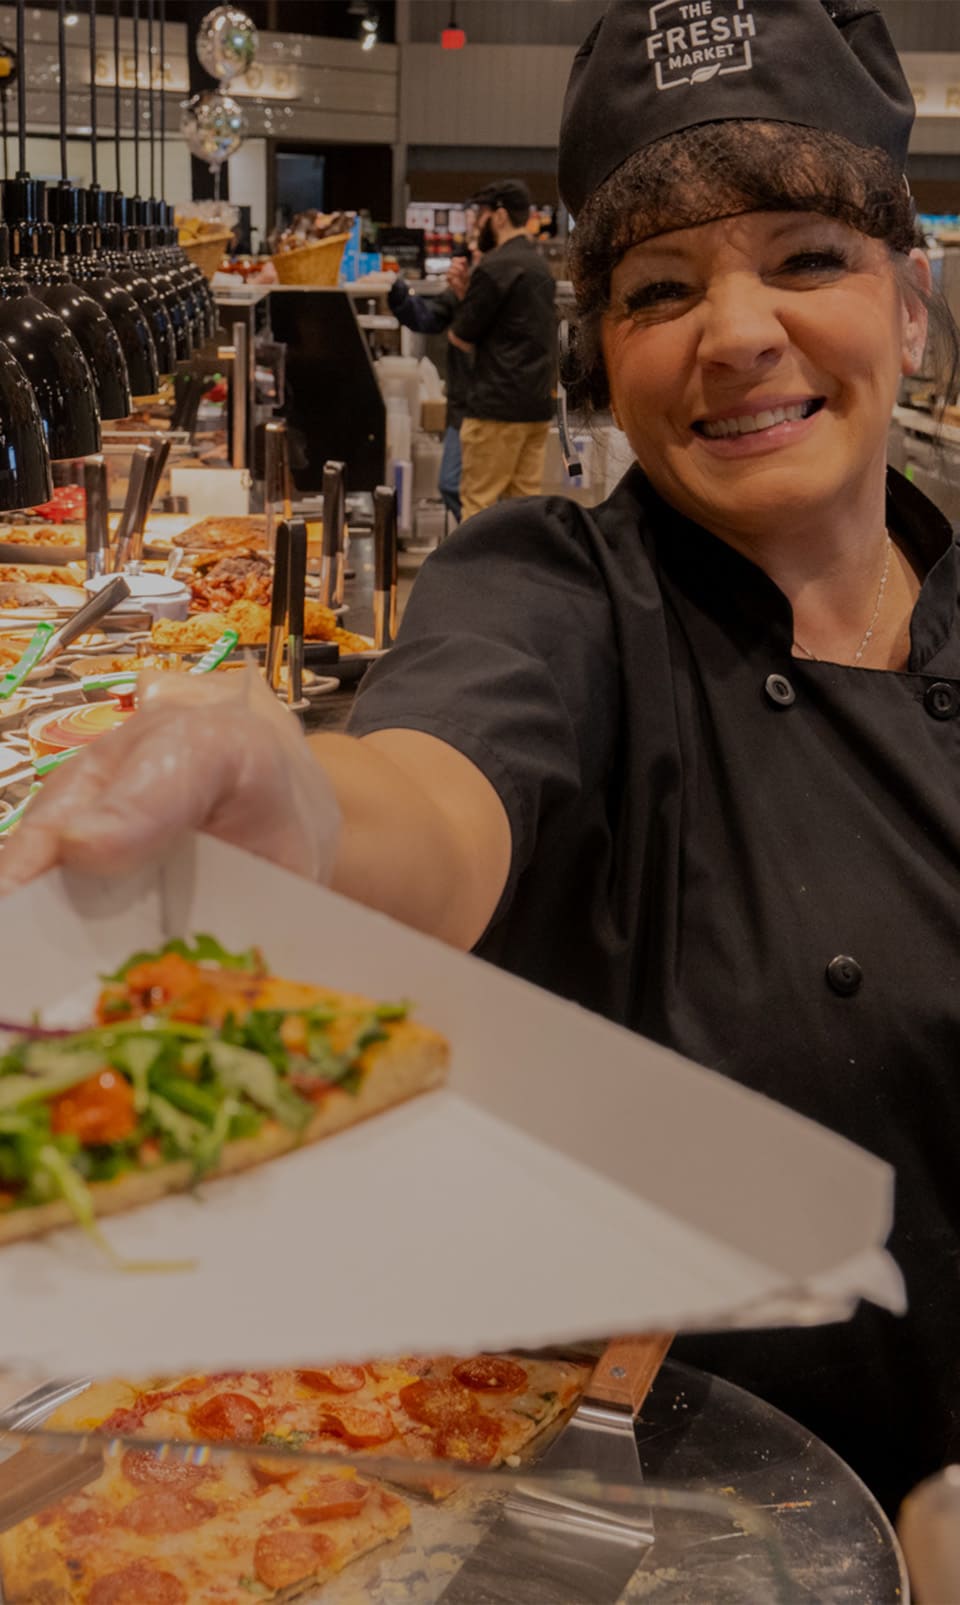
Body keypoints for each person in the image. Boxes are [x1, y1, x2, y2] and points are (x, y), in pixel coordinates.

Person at [2, 0, 958, 1517]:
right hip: (659, 1515)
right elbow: (433, 797)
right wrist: (301, 810)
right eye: (659, 286)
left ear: (911, 301)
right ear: (606, 345)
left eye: (807, 256)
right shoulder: (554, 591)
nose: (737, 332)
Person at [449, 179, 557, 519]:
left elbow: (461, 335)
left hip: (495, 408)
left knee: (478, 510)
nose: (477, 224)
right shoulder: (541, 266)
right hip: (536, 405)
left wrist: (463, 296)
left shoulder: (494, 267)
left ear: (498, 217)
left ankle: (472, 575)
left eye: (480, 216)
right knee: (522, 514)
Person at [387, 258, 471, 522]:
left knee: (456, 485)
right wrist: (396, 289)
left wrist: (465, 297)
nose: (456, 267)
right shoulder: (464, 292)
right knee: (455, 486)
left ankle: (488, 551)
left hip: (489, 407)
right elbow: (427, 318)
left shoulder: (493, 287)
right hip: (464, 404)